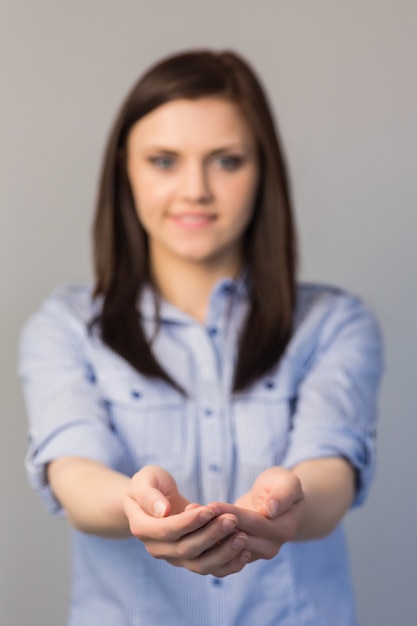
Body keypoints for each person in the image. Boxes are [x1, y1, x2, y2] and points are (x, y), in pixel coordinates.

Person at [18, 49, 383, 626]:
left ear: (263, 169)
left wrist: (284, 501)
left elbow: (331, 473)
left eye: (226, 161)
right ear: (125, 170)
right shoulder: (66, 328)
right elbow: (74, 475)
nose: (195, 190)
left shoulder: (333, 323)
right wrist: (141, 508)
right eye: (164, 160)